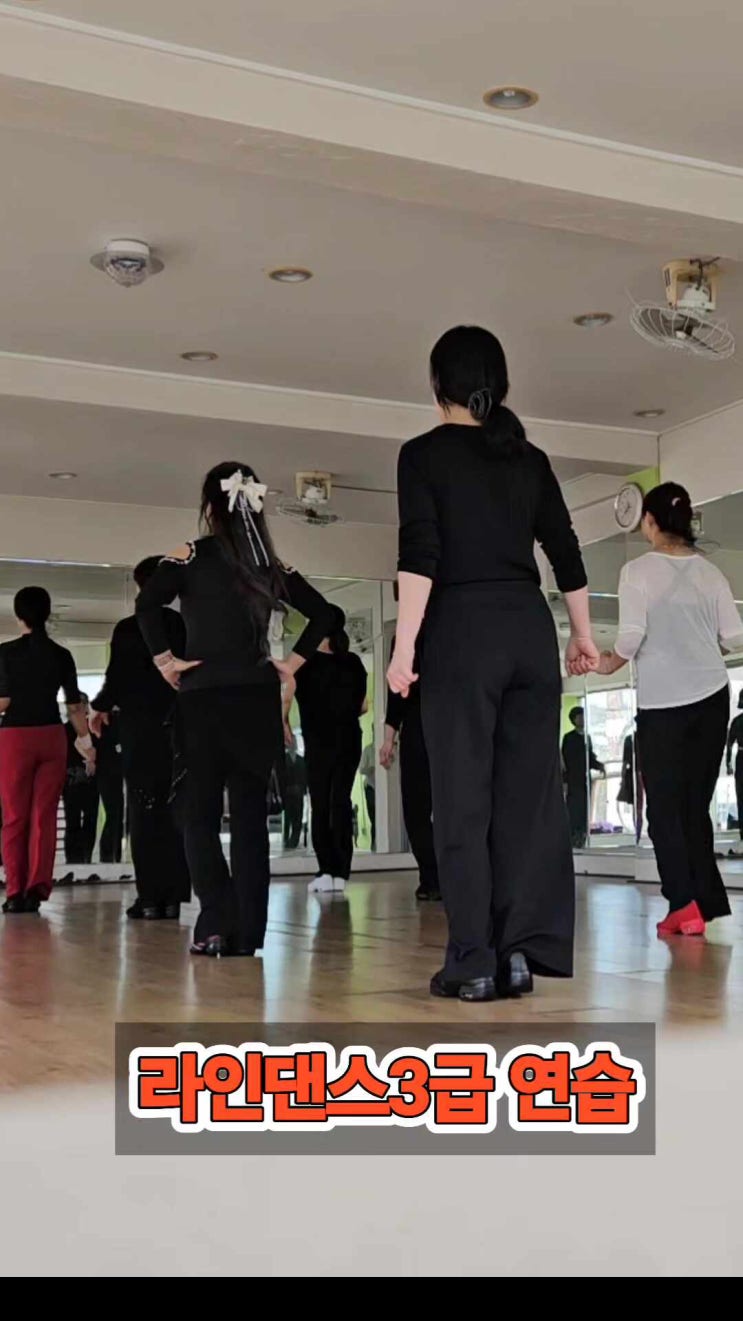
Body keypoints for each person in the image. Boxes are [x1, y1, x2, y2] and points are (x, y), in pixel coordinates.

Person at [388, 325, 597, 1002]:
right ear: (497, 385)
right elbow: (564, 550)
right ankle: (517, 955)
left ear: (436, 386)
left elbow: (420, 555)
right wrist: (582, 634)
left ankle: (472, 959)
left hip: (462, 632)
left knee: (461, 800)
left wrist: (403, 649)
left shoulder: (421, 456)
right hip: (528, 630)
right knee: (526, 802)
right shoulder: (526, 457)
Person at [136, 462, 335, 956]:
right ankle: (248, 935)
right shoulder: (269, 564)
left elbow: (147, 605)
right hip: (256, 701)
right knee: (249, 820)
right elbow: (325, 613)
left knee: (198, 816)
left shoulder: (190, 555)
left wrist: (165, 661)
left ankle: (215, 922)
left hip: (203, 698)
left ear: (211, 506)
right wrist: (291, 664)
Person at [598, 481, 743, 937]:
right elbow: (733, 637)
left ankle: (684, 906)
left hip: (663, 706)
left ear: (649, 521)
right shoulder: (711, 573)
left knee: (663, 810)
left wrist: (606, 663)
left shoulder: (636, 571)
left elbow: (630, 638)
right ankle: (704, 902)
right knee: (694, 806)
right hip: (712, 697)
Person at [90, 556, 191, 919]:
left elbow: (116, 676)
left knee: (142, 809)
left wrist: (100, 706)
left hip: (138, 727)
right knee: (174, 808)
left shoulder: (128, 628)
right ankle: (174, 896)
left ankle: (149, 896)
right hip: (177, 726)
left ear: (139, 585)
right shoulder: (181, 624)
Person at [0, 586, 94, 913]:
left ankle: (14, 892)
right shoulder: (61, 655)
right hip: (52, 737)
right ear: (47, 614)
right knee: (44, 815)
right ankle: (36, 888)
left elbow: (4, 701)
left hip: (15, 738)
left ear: (19, 616)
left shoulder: (5, 653)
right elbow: (74, 707)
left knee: (15, 817)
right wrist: (86, 743)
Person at [295, 606, 368, 893]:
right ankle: (341, 872)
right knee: (340, 801)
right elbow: (362, 706)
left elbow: (287, 696)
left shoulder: (305, 664)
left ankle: (326, 869)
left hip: (318, 742)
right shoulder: (353, 662)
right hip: (349, 739)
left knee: (321, 803)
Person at [380, 633, 440, 901]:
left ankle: (431, 878)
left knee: (416, 809)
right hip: (455, 726)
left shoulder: (406, 634)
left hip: (419, 727)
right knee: (455, 808)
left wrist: (388, 739)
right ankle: (453, 877)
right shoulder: (457, 623)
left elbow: (397, 691)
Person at [63, 693, 99, 865]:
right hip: (71, 779)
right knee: (72, 820)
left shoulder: (93, 727)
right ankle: (73, 859)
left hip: (91, 779)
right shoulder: (63, 730)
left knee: (90, 819)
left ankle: (86, 857)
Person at [561, 706, 605, 848]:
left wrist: (599, 766)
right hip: (572, 781)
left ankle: (582, 839)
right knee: (574, 810)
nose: (582, 719)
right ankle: (573, 839)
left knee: (585, 810)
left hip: (584, 780)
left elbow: (589, 758)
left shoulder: (587, 737)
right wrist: (565, 781)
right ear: (573, 720)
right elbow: (564, 761)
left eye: (583, 716)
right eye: (579, 717)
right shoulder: (569, 738)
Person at [96, 710, 125, 864]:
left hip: (118, 773)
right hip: (106, 774)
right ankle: (107, 854)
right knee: (113, 813)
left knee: (118, 815)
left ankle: (115, 854)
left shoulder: (117, 724)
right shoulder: (99, 727)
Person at [726, 692, 743, 854]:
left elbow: (729, 744)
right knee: (741, 798)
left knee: (741, 798)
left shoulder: (737, 721)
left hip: (741, 759)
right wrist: (728, 764)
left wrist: (728, 764)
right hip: (741, 759)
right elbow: (729, 743)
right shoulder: (737, 721)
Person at [359, 742, 376, 849]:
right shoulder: (368, 750)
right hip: (371, 787)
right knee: (374, 817)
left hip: (382, 787)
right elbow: (361, 769)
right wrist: (370, 768)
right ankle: (374, 843)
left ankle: (377, 843)